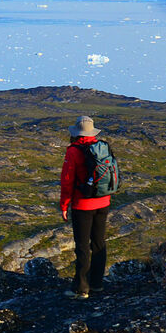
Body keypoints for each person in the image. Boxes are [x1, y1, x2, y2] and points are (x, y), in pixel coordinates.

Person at [60, 116, 111, 299]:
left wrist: (64, 205)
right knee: (98, 243)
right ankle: (97, 283)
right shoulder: (102, 147)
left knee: (82, 246)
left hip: (83, 205)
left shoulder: (73, 151)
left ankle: (81, 288)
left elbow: (67, 181)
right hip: (103, 201)